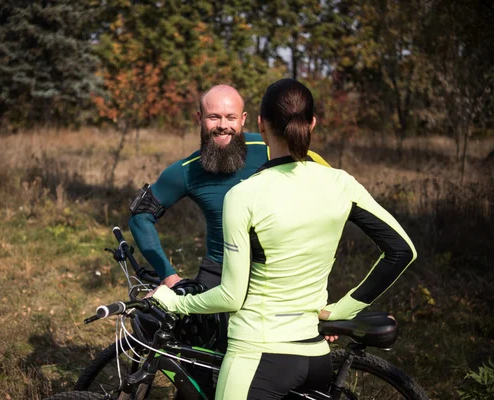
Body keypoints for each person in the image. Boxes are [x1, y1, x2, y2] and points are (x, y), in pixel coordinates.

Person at [152, 78, 417, 399]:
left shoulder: (244, 195)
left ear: (260, 125)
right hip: (316, 358)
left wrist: (176, 302)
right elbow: (402, 251)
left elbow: (231, 297)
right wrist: (342, 310)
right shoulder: (340, 183)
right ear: (312, 124)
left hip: (257, 359)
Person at [128, 84, 330, 291]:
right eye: (214, 117)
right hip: (219, 272)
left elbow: (332, 195)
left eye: (231, 117)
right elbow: (140, 216)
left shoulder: (270, 148)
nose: (223, 125)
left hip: (277, 273)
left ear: (243, 119)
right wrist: (168, 275)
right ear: (200, 118)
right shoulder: (186, 171)